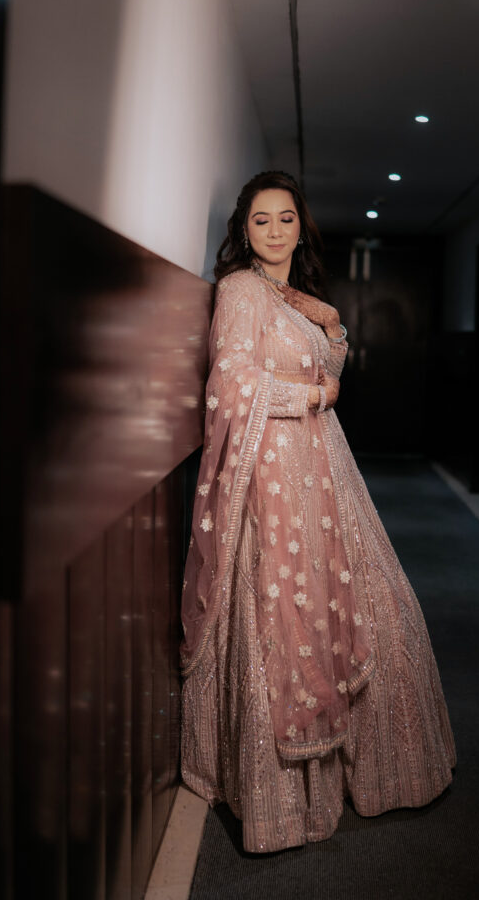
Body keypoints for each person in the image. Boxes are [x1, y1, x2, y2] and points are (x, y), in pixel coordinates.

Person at [179, 170, 457, 853]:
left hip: (322, 465)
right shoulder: (240, 290)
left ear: (301, 226)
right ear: (242, 231)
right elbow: (231, 379)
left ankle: (376, 766)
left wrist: (330, 326)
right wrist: (310, 397)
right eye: (260, 221)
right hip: (272, 469)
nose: (274, 232)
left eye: (285, 219)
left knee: (376, 602)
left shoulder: (289, 294)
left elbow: (329, 363)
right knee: (288, 612)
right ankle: (282, 798)